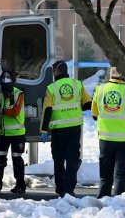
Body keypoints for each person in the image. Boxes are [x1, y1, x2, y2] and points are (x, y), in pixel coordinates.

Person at [39, 60, 92, 197]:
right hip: (74, 128)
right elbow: (87, 104)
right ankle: (69, 189)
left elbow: (47, 110)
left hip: (58, 129)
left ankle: (60, 188)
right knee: (72, 159)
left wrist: (43, 129)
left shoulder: (52, 88)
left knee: (59, 159)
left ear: (56, 71)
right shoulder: (77, 84)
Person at [92, 66, 125, 198]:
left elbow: (94, 115)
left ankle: (103, 200)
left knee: (105, 175)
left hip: (105, 139)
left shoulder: (100, 90)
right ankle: (118, 202)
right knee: (121, 175)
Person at [0, 70, 27, 195]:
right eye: (3, 77)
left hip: (17, 134)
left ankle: (20, 185)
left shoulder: (19, 94)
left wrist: (2, 111)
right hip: (3, 134)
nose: (5, 79)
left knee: (17, 160)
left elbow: (15, 111)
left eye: (7, 77)